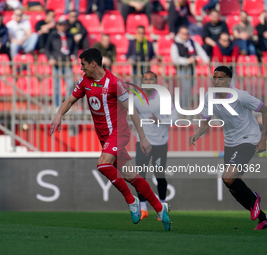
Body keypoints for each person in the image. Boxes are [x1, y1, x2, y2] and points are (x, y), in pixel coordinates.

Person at [50, 48, 172, 231]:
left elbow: (132, 111)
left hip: (119, 133)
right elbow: (69, 101)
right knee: (131, 176)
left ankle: (131, 201)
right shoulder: (85, 82)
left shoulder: (114, 83)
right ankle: (160, 208)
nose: (81, 68)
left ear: (93, 63)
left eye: (83, 64)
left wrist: (144, 138)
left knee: (103, 164)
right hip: (105, 137)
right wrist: (58, 115)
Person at [189, 65, 267, 230]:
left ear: (229, 80)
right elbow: (205, 121)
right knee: (232, 185)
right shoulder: (209, 97)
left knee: (228, 177)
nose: (217, 81)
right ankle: (263, 218)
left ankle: (254, 199)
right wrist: (197, 133)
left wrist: (262, 139)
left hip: (248, 139)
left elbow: (264, 110)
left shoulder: (240, 96)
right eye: (215, 77)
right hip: (230, 142)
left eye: (221, 77)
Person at [134, 71, 178, 220]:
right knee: (141, 176)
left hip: (160, 142)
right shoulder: (136, 99)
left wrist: (160, 120)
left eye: (151, 79)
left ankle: (162, 207)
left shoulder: (163, 99)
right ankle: (143, 208)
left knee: (159, 175)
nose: (148, 81)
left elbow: (175, 118)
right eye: (145, 79)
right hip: (143, 142)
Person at [171, 26, 209, 109]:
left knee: (188, 89)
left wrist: (206, 59)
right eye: (183, 33)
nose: (185, 35)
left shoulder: (191, 42)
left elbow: (200, 51)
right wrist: (187, 61)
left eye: (186, 34)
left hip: (191, 69)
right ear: (179, 34)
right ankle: (184, 107)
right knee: (186, 89)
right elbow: (175, 59)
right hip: (182, 69)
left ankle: (185, 106)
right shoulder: (175, 44)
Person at [44, 16, 77, 107]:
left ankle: (67, 105)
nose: (63, 27)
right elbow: (47, 48)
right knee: (57, 85)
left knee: (70, 84)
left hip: (67, 63)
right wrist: (50, 58)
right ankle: (57, 105)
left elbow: (74, 49)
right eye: (61, 25)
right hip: (57, 63)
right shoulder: (53, 35)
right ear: (58, 26)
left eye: (65, 25)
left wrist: (74, 57)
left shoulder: (70, 36)